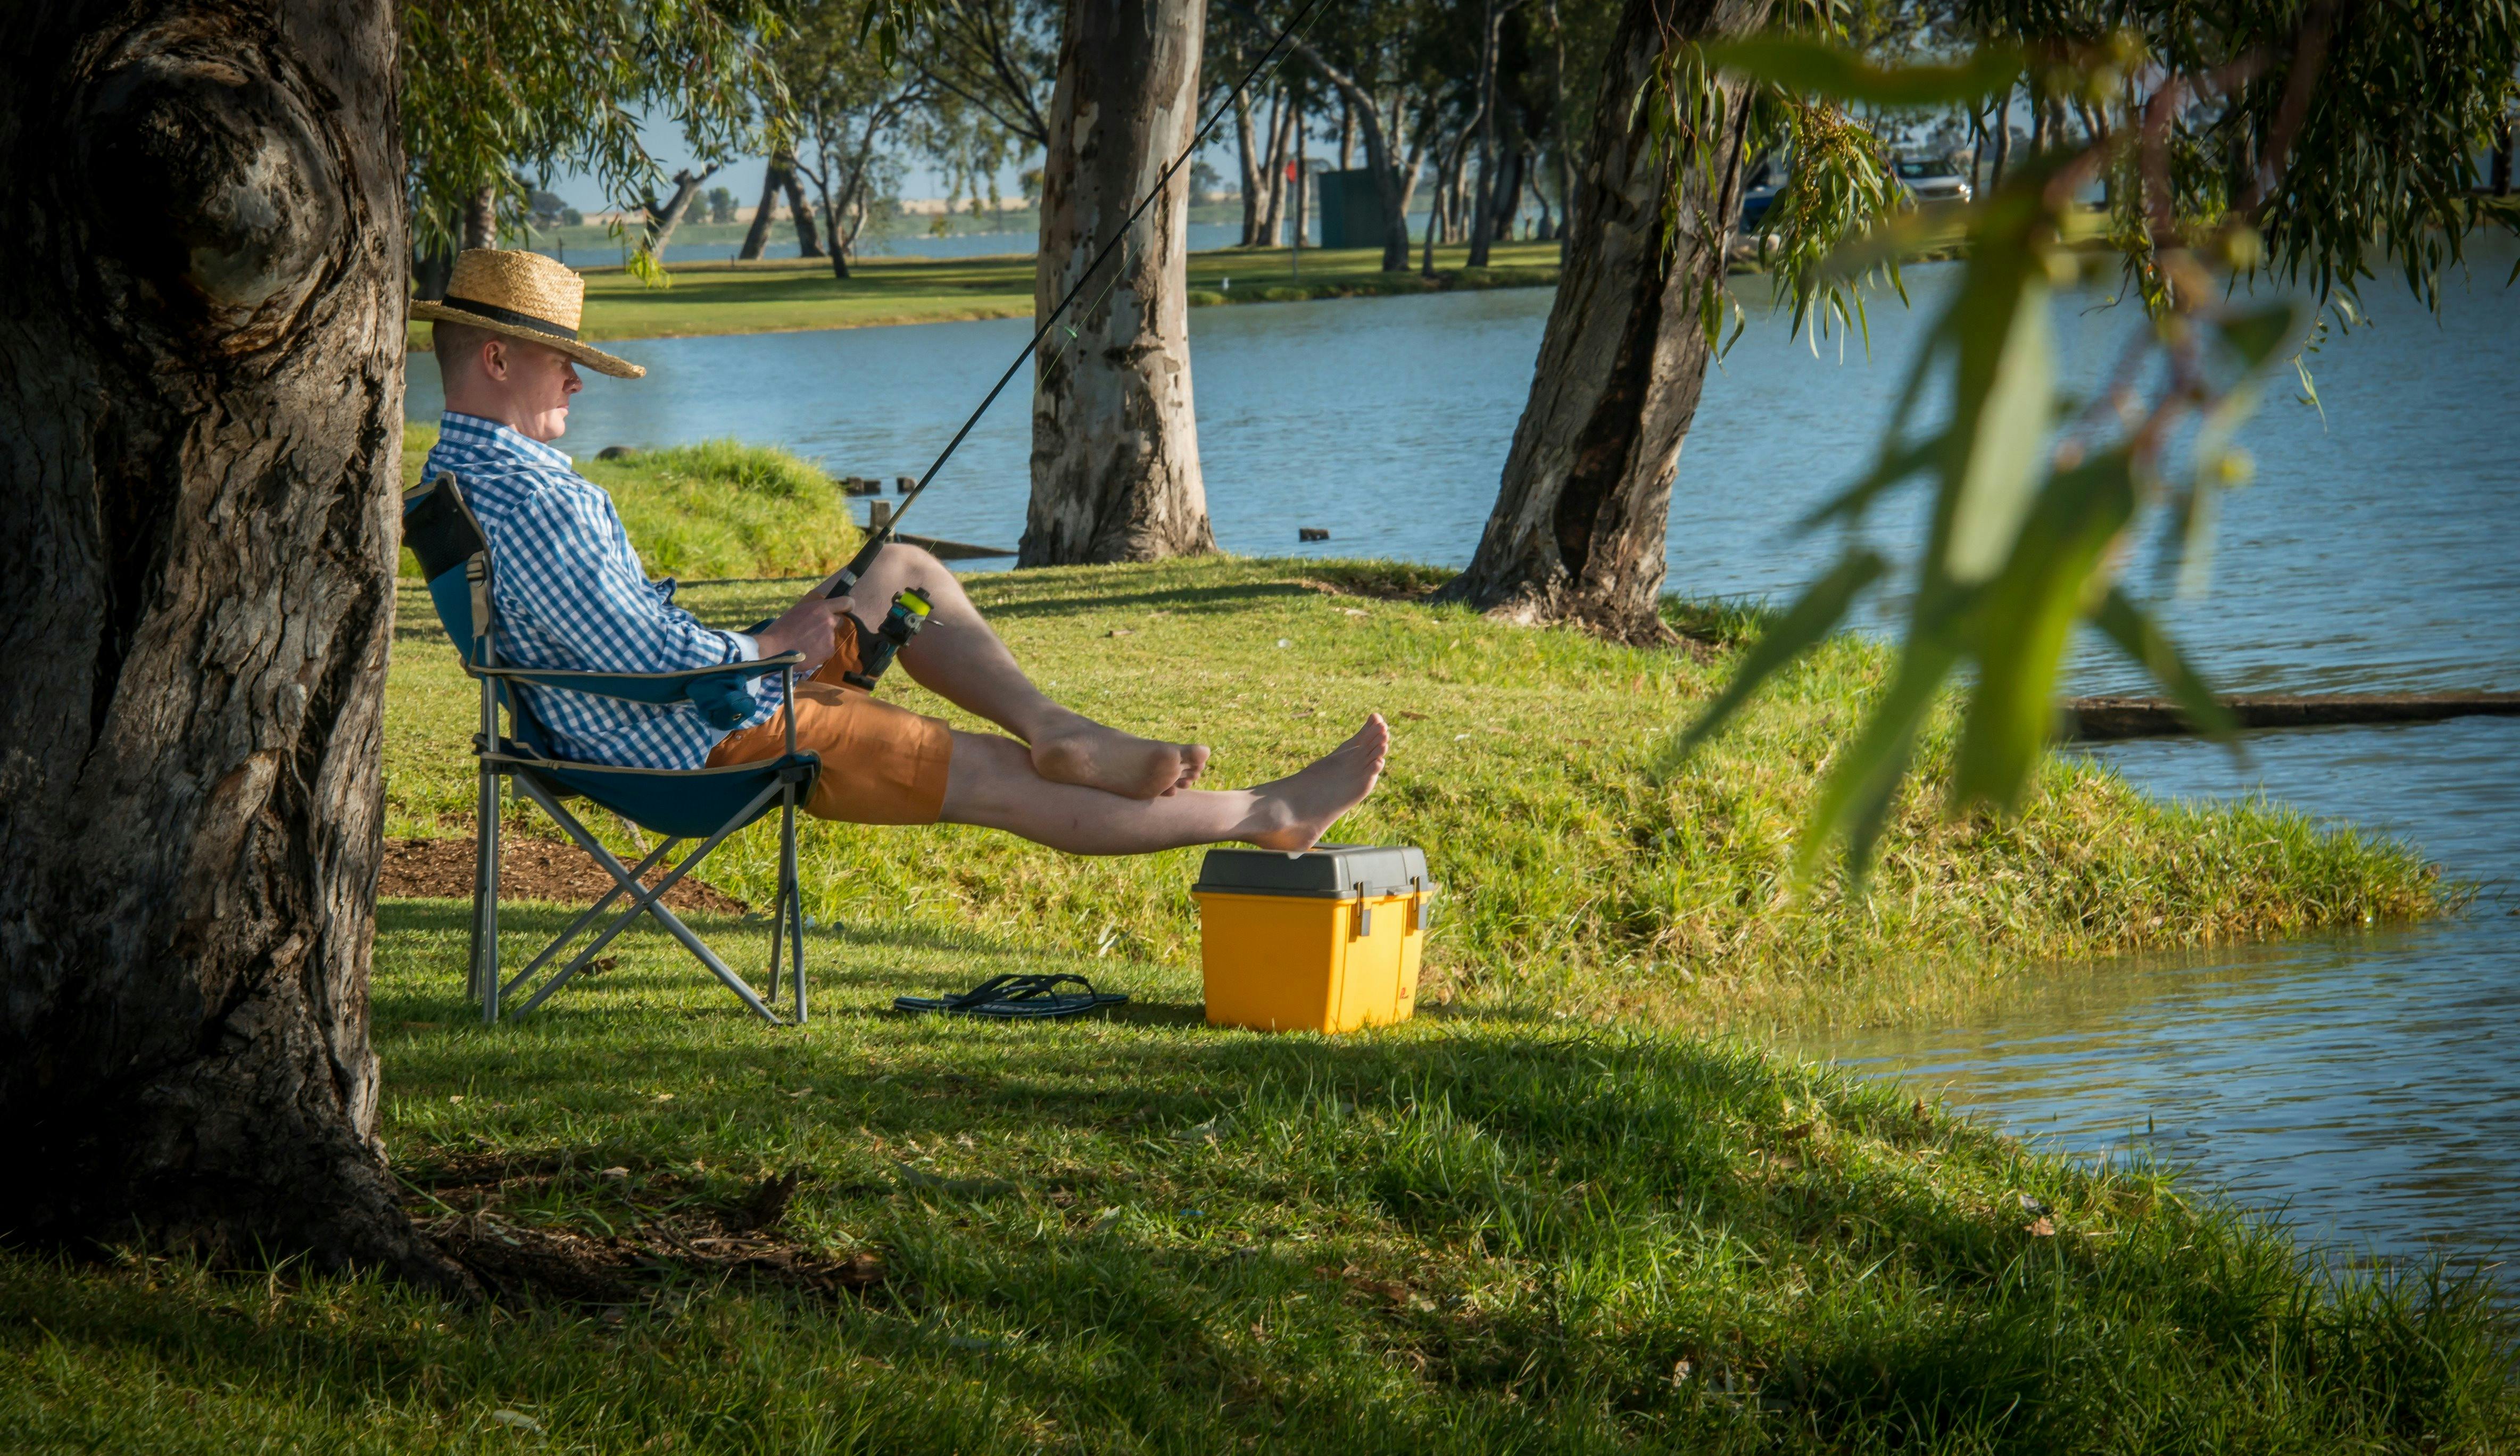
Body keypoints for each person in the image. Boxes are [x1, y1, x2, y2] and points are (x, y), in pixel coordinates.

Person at [413, 248, 1385, 854]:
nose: (578, 385)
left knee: (900, 568)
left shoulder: (458, 483)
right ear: (497, 359)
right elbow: (643, 661)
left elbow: (610, 644)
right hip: (700, 742)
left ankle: (1061, 725)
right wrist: (771, 650)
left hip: (658, 716)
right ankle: (1268, 813)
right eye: (562, 362)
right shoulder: (534, 496)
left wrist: (765, 642)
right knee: (1002, 782)